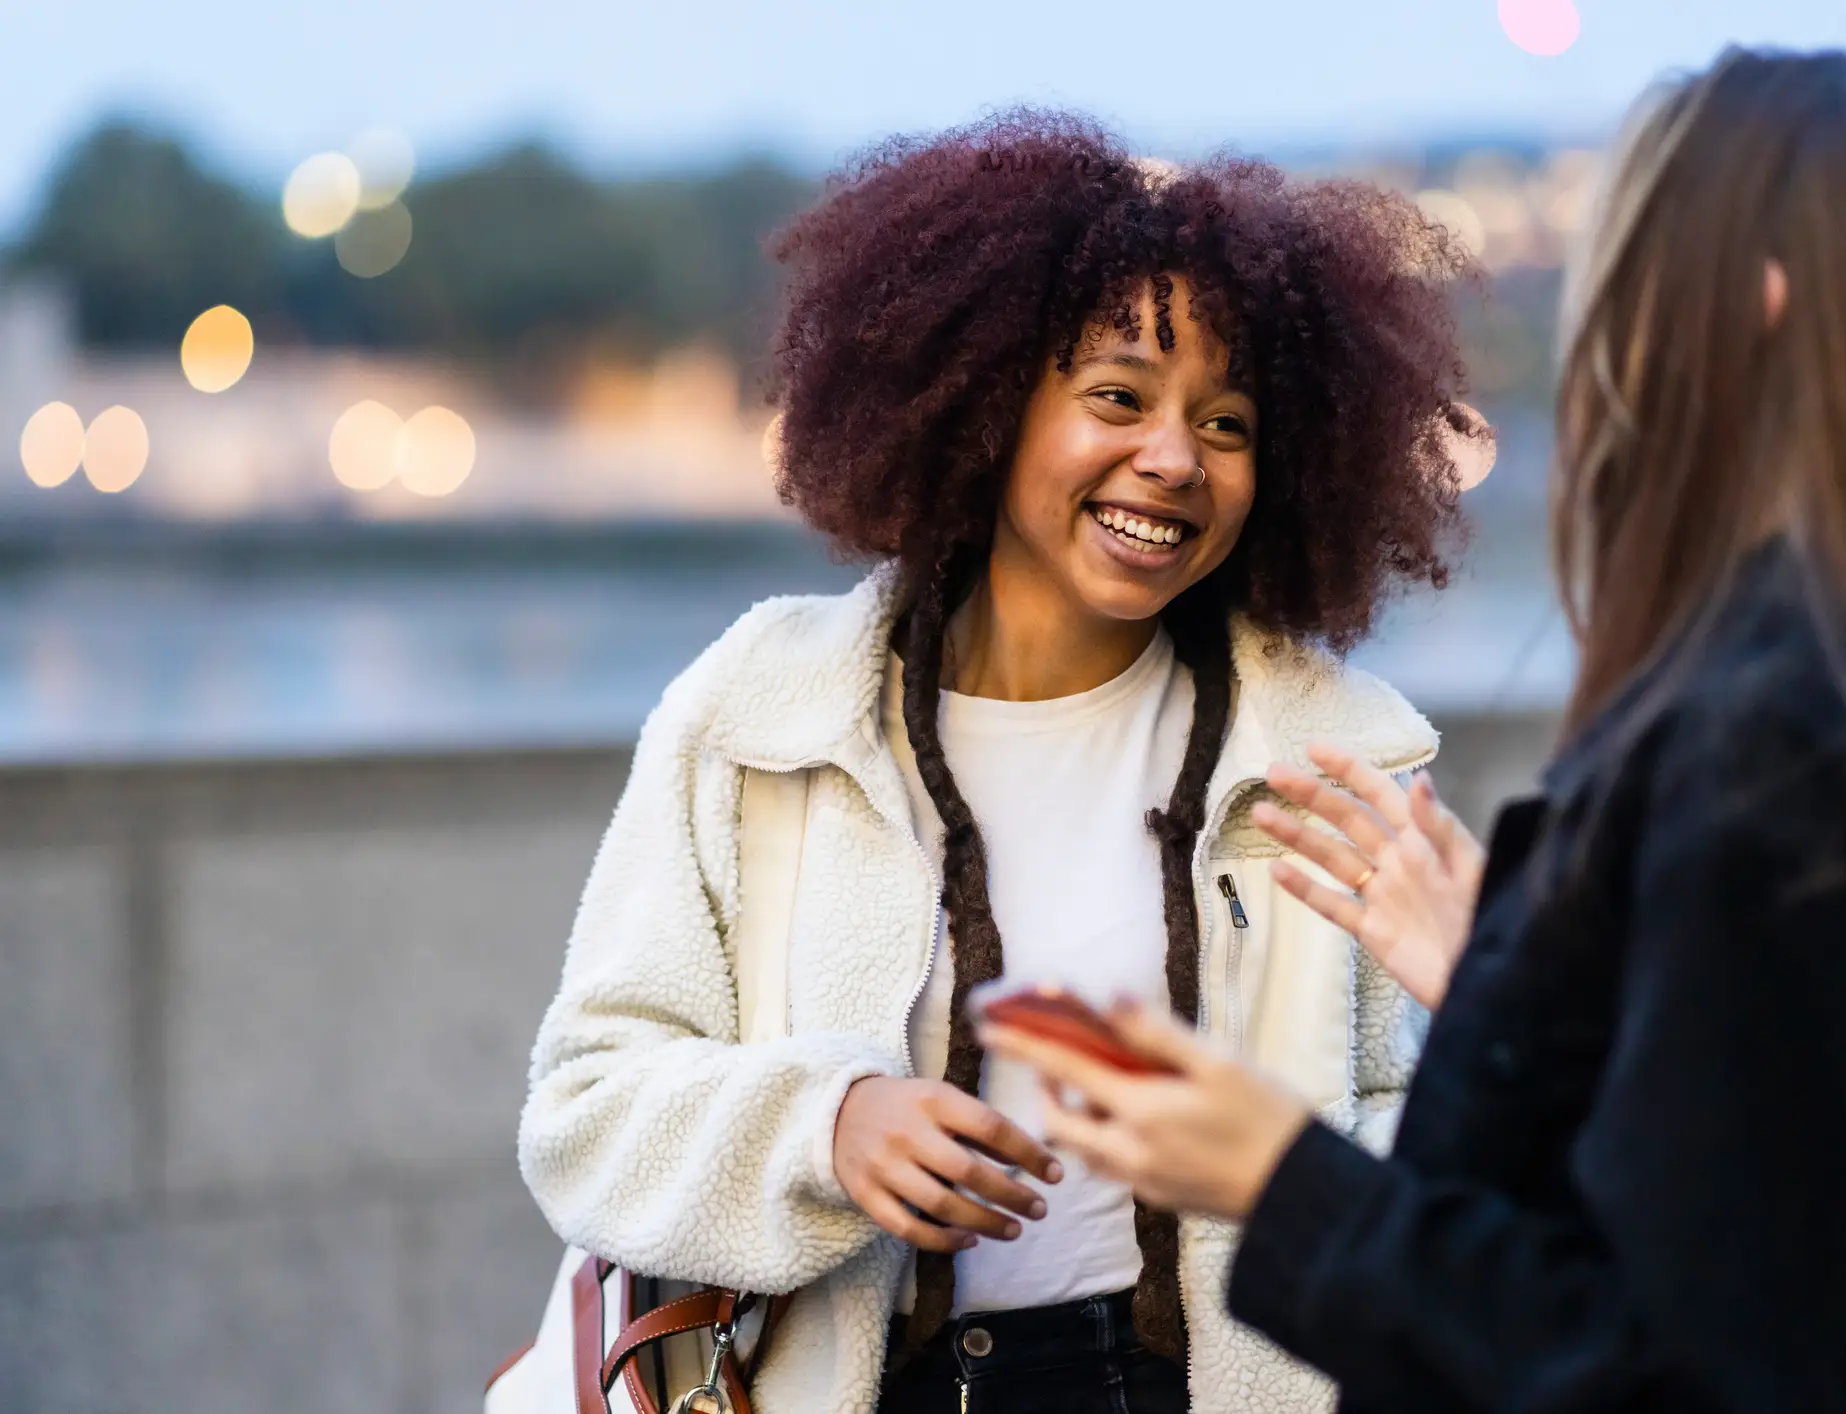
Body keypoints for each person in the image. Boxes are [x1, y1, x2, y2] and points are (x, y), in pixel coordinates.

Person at [984, 50, 1846, 1413]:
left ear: (1757, 299)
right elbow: (1812, 1244)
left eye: (1638, 263)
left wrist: (1277, 1176)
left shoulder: (1767, 749)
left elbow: (1678, 1372)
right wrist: (1526, 1004)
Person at [516, 112, 1483, 1413]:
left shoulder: (1334, 762)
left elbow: (1440, 1183)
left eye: (1230, 421)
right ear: (984, 400)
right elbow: (585, 1111)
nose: (1175, 457)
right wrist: (830, 1125)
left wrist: (1474, 1022)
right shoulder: (762, 711)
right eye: (1117, 396)